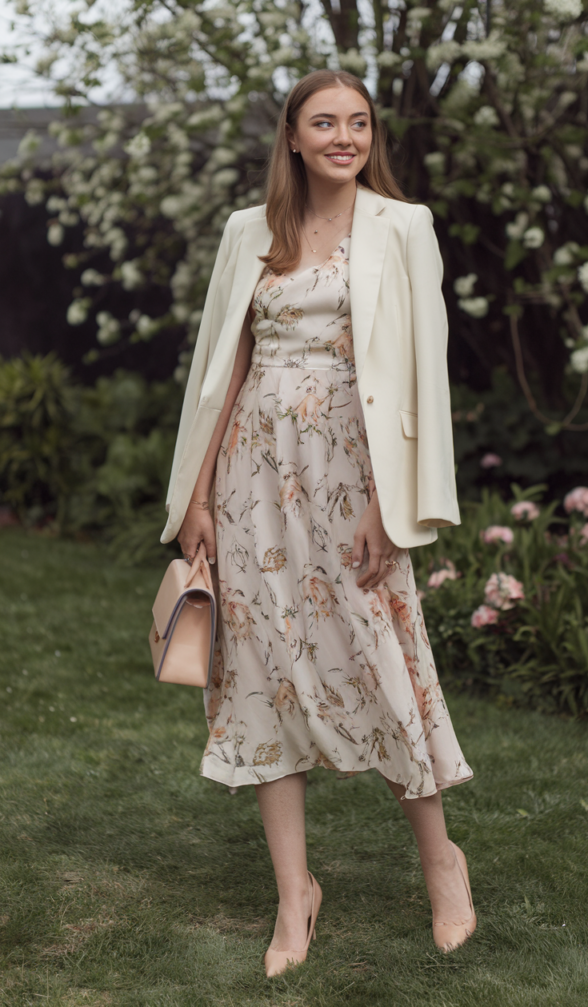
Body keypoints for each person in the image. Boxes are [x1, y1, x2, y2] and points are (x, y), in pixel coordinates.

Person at [160, 69, 475, 976]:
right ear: (292, 138)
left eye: (359, 122)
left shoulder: (403, 227)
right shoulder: (246, 233)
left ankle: (441, 866)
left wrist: (393, 501)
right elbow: (223, 370)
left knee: (383, 660)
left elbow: (424, 371)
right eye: (324, 123)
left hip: (353, 482)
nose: (344, 136)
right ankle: (294, 898)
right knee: (260, 671)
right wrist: (200, 498)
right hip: (255, 480)